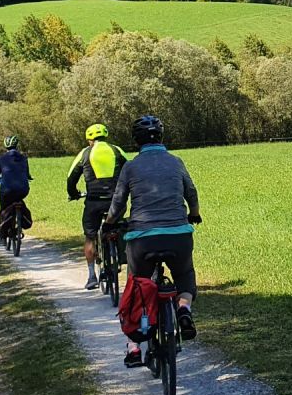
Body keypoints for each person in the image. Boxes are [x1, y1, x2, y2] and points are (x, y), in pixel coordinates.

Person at [104, 114, 201, 367]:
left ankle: (134, 347)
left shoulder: (130, 167)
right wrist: (194, 213)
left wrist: (109, 223)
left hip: (142, 239)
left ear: (136, 141)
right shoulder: (176, 162)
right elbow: (191, 191)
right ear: (161, 137)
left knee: (137, 285)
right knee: (184, 276)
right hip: (178, 235)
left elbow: (118, 202)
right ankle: (183, 310)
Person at [66, 123, 127, 291]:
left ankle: (92, 275)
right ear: (106, 136)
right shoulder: (116, 150)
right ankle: (119, 257)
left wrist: (73, 193)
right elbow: (130, 169)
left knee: (90, 237)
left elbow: (71, 177)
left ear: (89, 140)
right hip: (116, 201)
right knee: (118, 228)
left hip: (94, 202)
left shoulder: (85, 153)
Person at [0, 135, 32, 243]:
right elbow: (27, 174)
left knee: (4, 209)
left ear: (5, 146)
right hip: (23, 190)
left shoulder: (2, 158)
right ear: (16, 145)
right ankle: (21, 219)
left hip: (7, 191)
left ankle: (2, 237)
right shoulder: (23, 158)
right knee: (19, 200)